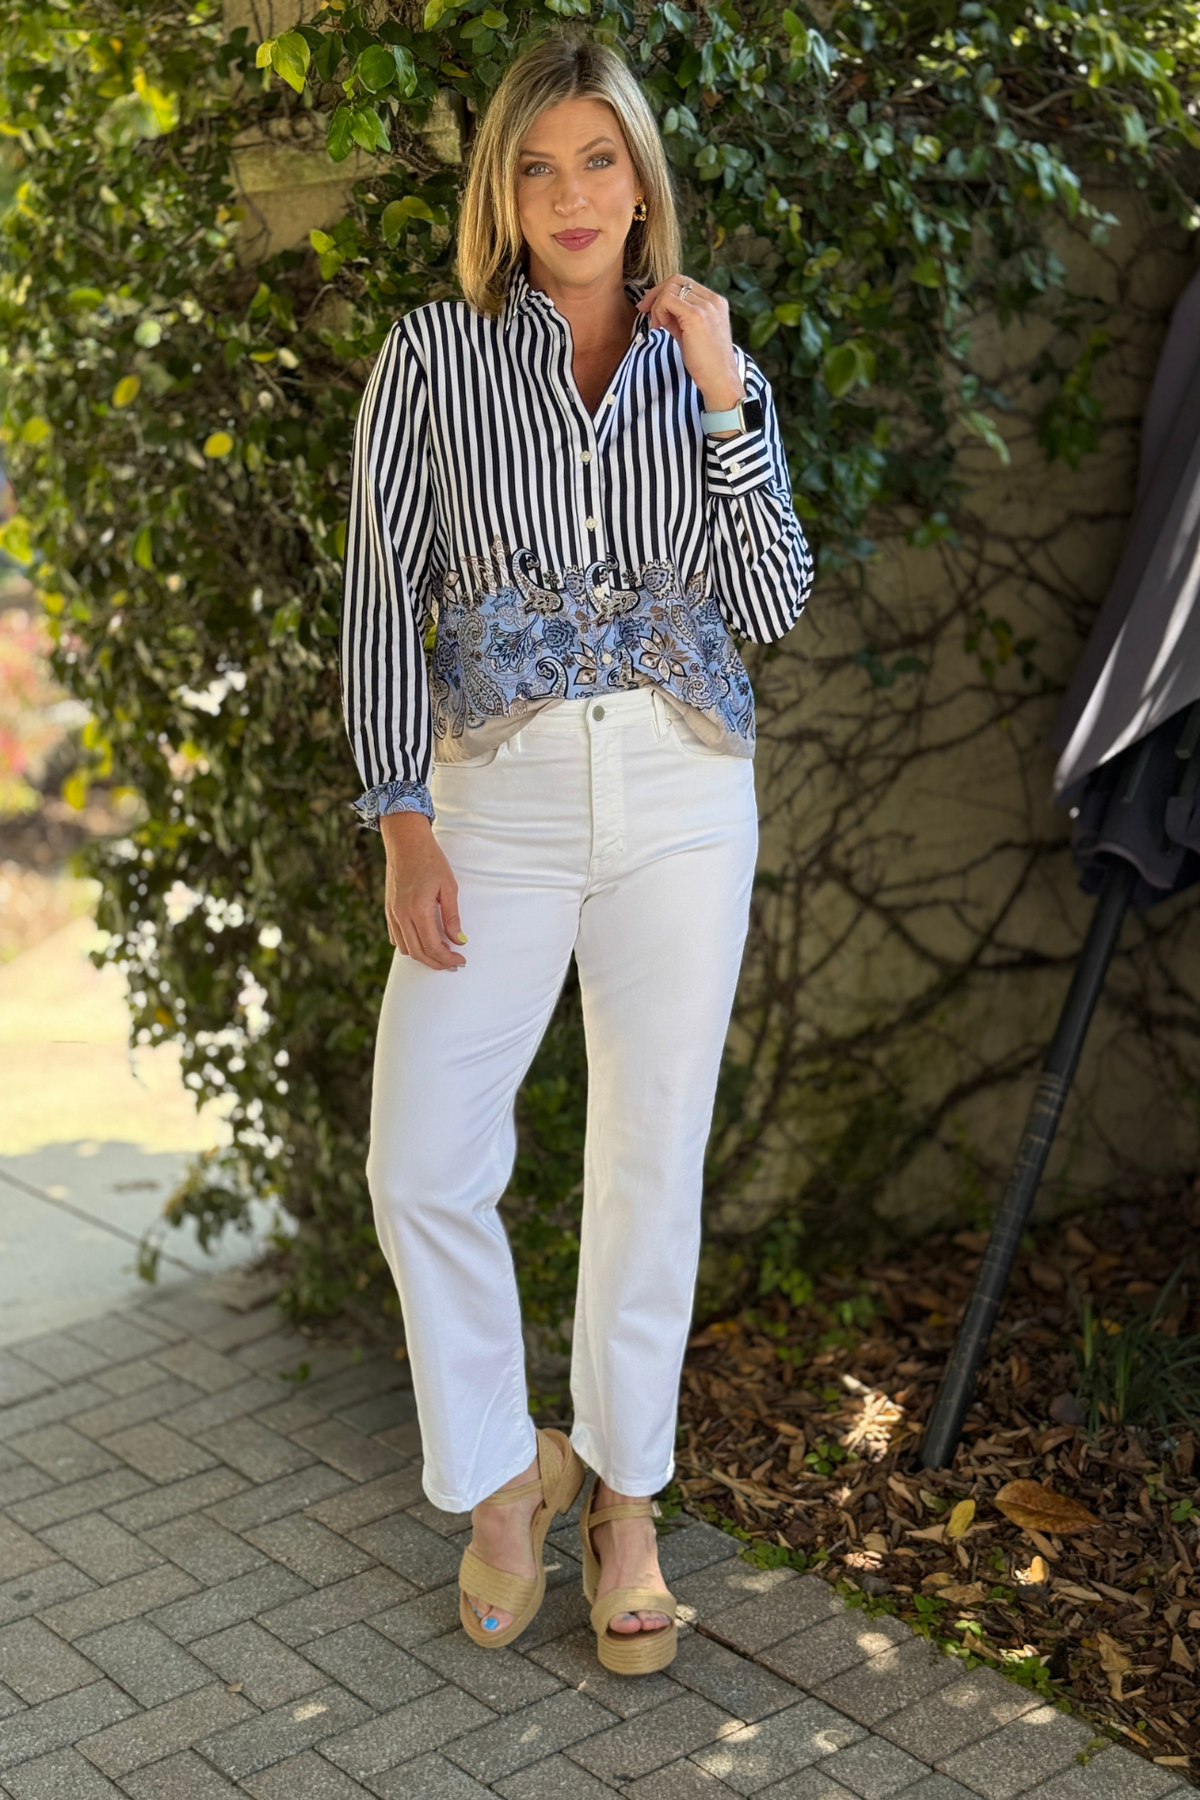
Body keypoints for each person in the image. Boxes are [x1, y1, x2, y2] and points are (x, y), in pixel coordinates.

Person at [339, 30, 813, 1676]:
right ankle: (502, 1479)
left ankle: (624, 1505)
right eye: (536, 166)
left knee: (649, 1161)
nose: (569, 195)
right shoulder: (433, 355)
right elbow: (379, 597)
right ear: (503, 190)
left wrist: (726, 395)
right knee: (421, 1162)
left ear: (641, 179)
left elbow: (773, 602)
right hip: (498, 800)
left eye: (597, 159)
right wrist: (401, 816)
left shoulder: (707, 359)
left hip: (684, 793)